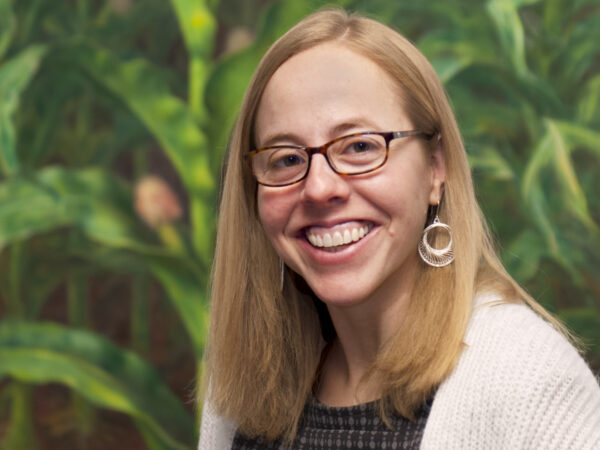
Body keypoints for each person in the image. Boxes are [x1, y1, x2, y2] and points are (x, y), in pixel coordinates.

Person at [199, 8, 600, 449]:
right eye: (287, 158)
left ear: (435, 168)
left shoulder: (527, 380)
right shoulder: (245, 379)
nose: (317, 188)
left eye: (359, 146)